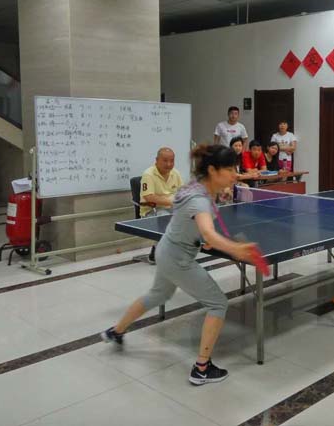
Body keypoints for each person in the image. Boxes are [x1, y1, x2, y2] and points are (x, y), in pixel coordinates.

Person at [102, 144, 257, 386]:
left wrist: (200, 235)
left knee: (157, 294)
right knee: (218, 303)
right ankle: (202, 368)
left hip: (165, 250)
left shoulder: (193, 187)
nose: (235, 174)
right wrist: (233, 248)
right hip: (178, 259)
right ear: (213, 170)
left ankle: (116, 331)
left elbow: (182, 212)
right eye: (230, 169)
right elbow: (208, 230)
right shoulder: (200, 200)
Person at [139, 147, 184, 264]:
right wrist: (170, 201)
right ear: (157, 160)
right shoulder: (148, 174)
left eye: (172, 161)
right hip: (152, 210)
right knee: (165, 218)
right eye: (165, 160)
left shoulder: (176, 173)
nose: (169, 164)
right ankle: (161, 253)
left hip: (172, 209)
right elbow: (149, 197)